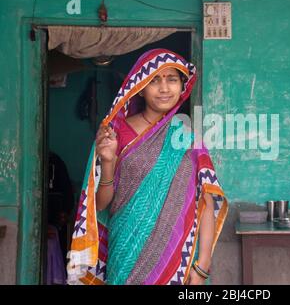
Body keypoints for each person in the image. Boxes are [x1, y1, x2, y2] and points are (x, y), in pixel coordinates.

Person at [66, 49, 228, 285]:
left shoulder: (190, 139)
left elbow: (206, 202)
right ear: (140, 87)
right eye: (154, 80)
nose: (164, 88)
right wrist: (109, 161)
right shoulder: (116, 132)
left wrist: (202, 266)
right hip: (125, 253)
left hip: (176, 261)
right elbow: (100, 204)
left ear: (181, 87)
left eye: (172, 79)